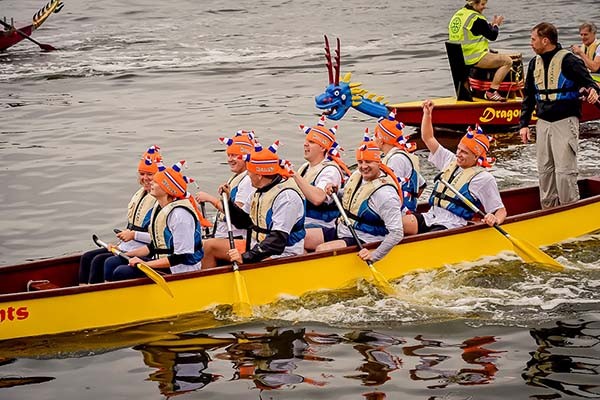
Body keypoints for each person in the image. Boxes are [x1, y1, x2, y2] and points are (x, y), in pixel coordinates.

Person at [519, 22, 600, 209]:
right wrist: (523, 124)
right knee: (545, 171)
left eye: (533, 39)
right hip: (543, 123)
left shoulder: (569, 61)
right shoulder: (534, 63)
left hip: (565, 122)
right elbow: (529, 96)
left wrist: (593, 91)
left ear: (545, 40)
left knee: (564, 172)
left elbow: (590, 83)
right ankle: (548, 209)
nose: (531, 43)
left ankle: (569, 208)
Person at [402, 100, 506, 235]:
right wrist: (427, 114)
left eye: (464, 152)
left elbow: (501, 211)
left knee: (427, 238)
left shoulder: (484, 179)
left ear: (476, 157)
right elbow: (428, 138)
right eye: (459, 149)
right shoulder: (451, 160)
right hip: (430, 217)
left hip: (452, 225)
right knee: (396, 224)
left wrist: (495, 218)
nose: (459, 154)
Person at [106, 161, 211, 281]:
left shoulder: (180, 216)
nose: (151, 184)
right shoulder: (160, 207)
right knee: (112, 262)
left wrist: (146, 264)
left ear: (167, 189)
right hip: (164, 260)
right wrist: (125, 253)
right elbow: (154, 246)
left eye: (156, 182)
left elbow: (181, 257)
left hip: (180, 270)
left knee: (122, 272)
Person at [78, 145, 162, 284]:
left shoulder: (160, 200)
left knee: (103, 261)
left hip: (146, 251)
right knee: (87, 257)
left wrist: (133, 235)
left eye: (150, 174)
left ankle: (101, 297)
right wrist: (120, 243)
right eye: (142, 174)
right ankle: (83, 294)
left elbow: (158, 240)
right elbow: (133, 228)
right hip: (128, 246)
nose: (145, 178)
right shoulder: (140, 195)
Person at [315, 134, 404, 263]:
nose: (363, 166)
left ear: (378, 162)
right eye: (360, 162)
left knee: (320, 250)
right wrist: (336, 192)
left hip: (365, 239)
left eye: (368, 162)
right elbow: (352, 197)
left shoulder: (386, 195)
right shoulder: (358, 175)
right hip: (344, 229)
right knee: (305, 238)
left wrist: (374, 255)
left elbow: (397, 233)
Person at [224, 141, 306, 265]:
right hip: (260, 251)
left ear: (259, 175)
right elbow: (242, 222)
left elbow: (277, 240)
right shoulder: (258, 191)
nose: (247, 175)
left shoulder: (287, 198)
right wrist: (228, 201)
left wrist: (246, 257)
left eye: (249, 171)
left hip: (284, 255)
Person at [198, 131, 257, 268]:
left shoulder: (248, 180)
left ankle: (208, 282)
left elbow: (237, 215)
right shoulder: (237, 177)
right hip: (227, 235)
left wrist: (211, 199)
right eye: (229, 155)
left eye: (235, 155)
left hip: (241, 239)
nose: (230, 159)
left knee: (208, 246)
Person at [293, 116, 351, 251]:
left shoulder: (330, 170)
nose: (305, 144)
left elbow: (318, 198)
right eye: (306, 141)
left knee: (290, 238)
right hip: (304, 222)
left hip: (323, 226)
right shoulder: (305, 167)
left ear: (322, 147)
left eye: (311, 142)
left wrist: (294, 175)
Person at [448, 0, 513, 101]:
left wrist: (490, 26)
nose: (484, 7)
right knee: (508, 61)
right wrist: (495, 25)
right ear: (473, 3)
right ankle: (491, 92)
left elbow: (477, 30)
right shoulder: (475, 18)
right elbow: (492, 35)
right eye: (482, 4)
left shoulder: (458, 15)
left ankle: (471, 94)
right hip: (472, 58)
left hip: (458, 58)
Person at [372, 112, 426, 213]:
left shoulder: (396, 160)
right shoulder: (401, 154)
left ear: (381, 140)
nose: (372, 139)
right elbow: (422, 185)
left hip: (399, 215)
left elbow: (389, 191)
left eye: (375, 135)